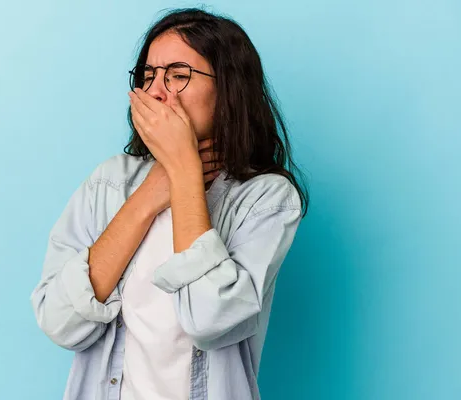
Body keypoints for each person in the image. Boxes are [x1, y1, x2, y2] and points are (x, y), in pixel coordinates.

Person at [30, 7, 309, 400]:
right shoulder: (109, 183)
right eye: (148, 76)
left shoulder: (266, 199)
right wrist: (148, 196)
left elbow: (210, 319)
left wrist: (183, 172)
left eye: (178, 76)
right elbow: (60, 321)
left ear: (229, 89)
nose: (158, 91)